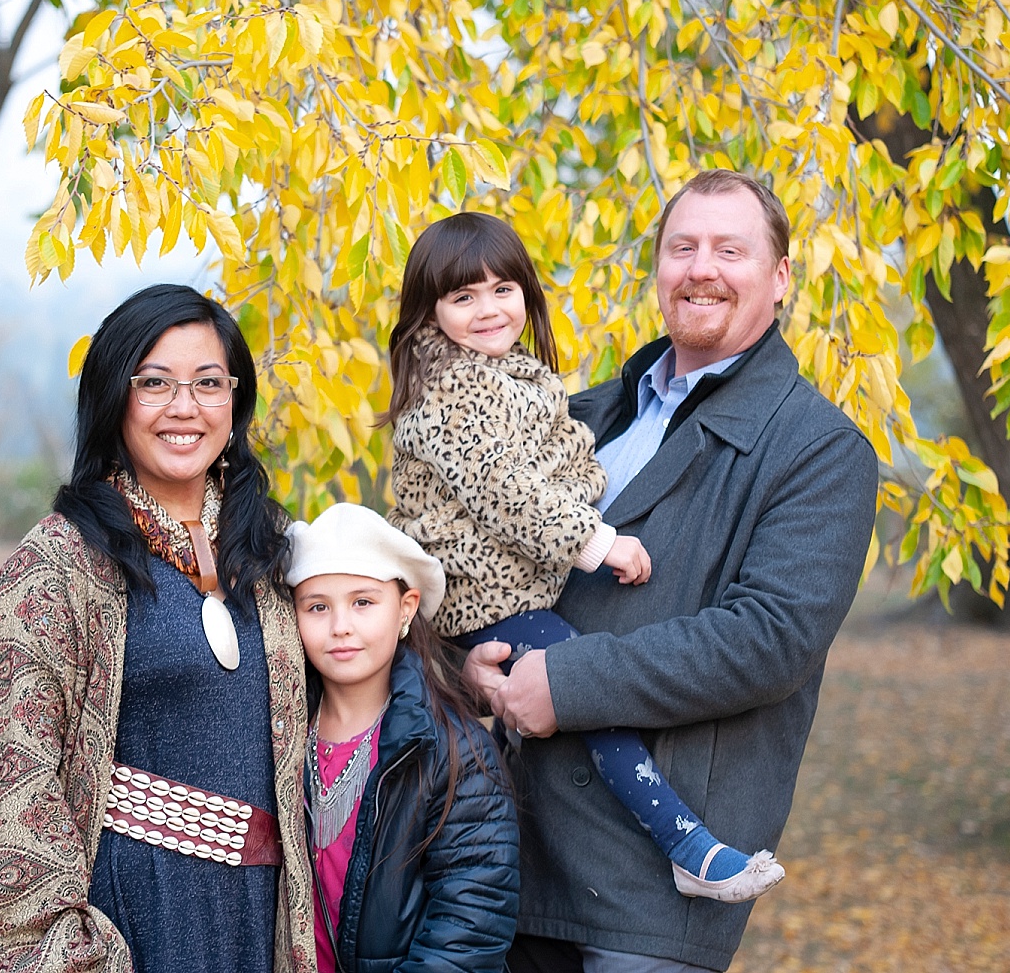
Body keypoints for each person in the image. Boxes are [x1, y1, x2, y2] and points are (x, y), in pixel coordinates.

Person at [466, 170, 880, 973]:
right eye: (683, 247)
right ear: (658, 266)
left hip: (652, 882)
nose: (703, 268)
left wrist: (569, 681)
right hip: (506, 846)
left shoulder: (819, 450)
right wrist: (467, 667)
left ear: (781, 276)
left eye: (732, 249)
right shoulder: (582, 414)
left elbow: (769, 640)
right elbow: (479, 562)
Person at [384, 211, 784, 903]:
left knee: (575, 688)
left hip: (506, 592)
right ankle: (689, 844)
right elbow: (508, 491)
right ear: (430, 309)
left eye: (503, 289)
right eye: (463, 296)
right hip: (488, 595)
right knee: (584, 693)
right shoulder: (452, 391)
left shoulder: (513, 378)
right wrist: (601, 542)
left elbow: (554, 462)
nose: (488, 310)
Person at [0, 284, 315, 973]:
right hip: (133, 917)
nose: (184, 407)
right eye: (156, 383)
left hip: (260, 916)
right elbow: (17, 765)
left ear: (235, 400)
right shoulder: (61, 561)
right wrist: (72, 947)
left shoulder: (273, 554)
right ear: (115, 397)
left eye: (208, 383)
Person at [284, 502, 518, 973]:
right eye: (317, 607)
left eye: (363, 602)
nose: (340, 626)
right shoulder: (278, 734)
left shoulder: (454, 751)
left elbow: (470, 922)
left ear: (406, 609)